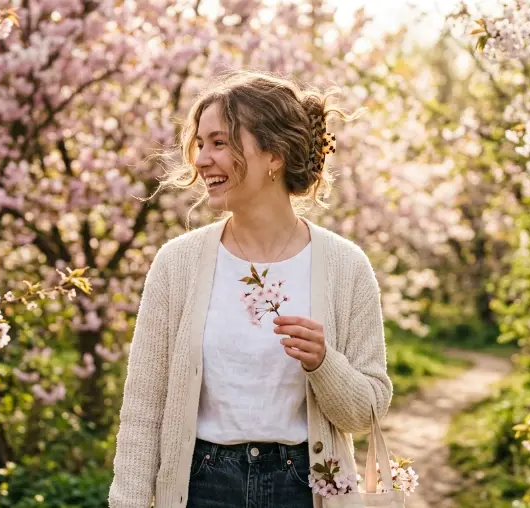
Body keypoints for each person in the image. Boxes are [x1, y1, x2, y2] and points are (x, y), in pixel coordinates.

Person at [108, 70, 393, 508]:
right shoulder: (177, 263)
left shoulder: (345, 265)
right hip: (201, 486)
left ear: (273, 155)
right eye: (200, 144)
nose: (201, 159)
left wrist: (324, 363)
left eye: (219, 143)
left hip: (305, 487)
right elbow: (145, 409)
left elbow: (367, 411)